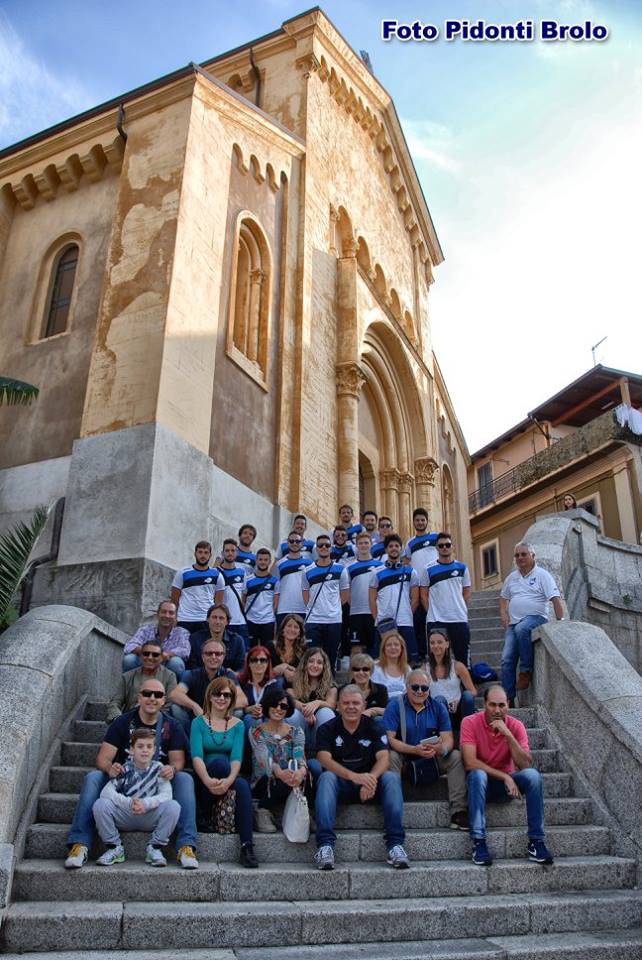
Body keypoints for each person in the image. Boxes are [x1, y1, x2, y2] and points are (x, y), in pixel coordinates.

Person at [64, 680, 198, 870]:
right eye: (147, 693)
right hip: (124, 780)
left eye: (158, 695)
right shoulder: (122, 722)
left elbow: (178, 761)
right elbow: (103, 759)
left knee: (184, 778)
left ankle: (186, 846)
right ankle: (80, 844)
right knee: (93, 778)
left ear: (164, 701)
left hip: (156, 782)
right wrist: (110, 768)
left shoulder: (172, 726)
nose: (152, 698)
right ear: (139, 697)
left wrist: (173, 769)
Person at [314, 684, 409, 870]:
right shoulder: (326, 729)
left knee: (391, 778)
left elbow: (384, 757)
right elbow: (324, 759)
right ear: (338, 706)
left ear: (364, 705)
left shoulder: (375, 726)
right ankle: (325, 846)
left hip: (369, 787)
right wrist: (355, 777)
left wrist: (371, 779)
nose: (351, 707)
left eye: (355, 703)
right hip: (341, 785)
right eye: (346, 703)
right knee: (326, 778)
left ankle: (395, 845)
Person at [460, 685, 554, 866]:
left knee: (533, 776)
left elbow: (525, 764)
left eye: (501, 705)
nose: (497, 710)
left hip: (504, 788)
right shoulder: (470, 722)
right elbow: (469, 762)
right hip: (480, 786)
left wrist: (508, 735)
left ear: (508, 705)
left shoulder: (515, 726)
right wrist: (506, 776)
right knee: (478, 774)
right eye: (492, 705)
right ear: (484, 704)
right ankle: (478, 843)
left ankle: (536, 842)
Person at [383, 669, 468, 830]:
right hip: (405, 756)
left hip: (431, 757)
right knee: (390, 756)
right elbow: (389, 739)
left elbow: (449, 739)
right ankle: (393, 813)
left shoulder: (437, 707)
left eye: (424, 688)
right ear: (407, 687)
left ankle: (458, 812)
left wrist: (440, 749)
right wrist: (414, 750)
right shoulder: (395, 705)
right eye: (415, 687)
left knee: (456, 756)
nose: (420, 691)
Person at [190, 677, 258, 868]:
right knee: (219, 763)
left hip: (228, 777)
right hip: (204, 780)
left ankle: (247, 847)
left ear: (232, 699)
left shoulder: (238, 724)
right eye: (217, 693)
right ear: (209, 696)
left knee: (242, 784)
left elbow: (236, 758)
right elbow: (196, 756)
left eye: (227, 695)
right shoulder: (198, 723)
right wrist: (207, 780)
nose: (221, 698)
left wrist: (228, 781)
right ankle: (204, 814)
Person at [92, 727, 181, 867]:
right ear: (132, 750)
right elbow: (106, 792)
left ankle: (155, 848)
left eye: (149, 746)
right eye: (140, 746)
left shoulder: (159, 769)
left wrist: (145, 804)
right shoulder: (124, 769)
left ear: (154, 750)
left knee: (174, 806)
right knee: (100, 804)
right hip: (126, 814)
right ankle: (115, 848)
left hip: (149, 815)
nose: (145, 750)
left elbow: (167, 794)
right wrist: (128, 803)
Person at [499, 541, 564, 700]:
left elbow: (555, 599)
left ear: (532, 556)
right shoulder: (512, 578)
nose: (520, 558)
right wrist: (503, 614)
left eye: (524, 554)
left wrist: (561, 621)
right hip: (514, 623)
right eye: (517, 555)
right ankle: (507, 700)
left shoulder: (542, 575)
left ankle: (525, 671)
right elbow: (503, 597)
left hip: (536, 618)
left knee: (523, 628)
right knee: (506, 659)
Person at [249, 687, 310, 833]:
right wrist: (280, 772)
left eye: (283, 706)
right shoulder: (256, 731)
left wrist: (301, 771)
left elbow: (299, 755)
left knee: (311, 769)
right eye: (274, 704)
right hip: (264, 779)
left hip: (290, 776)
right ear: (267, 705)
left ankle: (303, 811)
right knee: (281, 772)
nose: (278, 709)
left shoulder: (296, 732)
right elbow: (263, 758)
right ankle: (263, 809)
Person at [170, 636, 247, 732]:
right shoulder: (192, 674)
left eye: (218, 654)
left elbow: (243, 700)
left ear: (223, 657)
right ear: (203, 657)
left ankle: (223, 744)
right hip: (196, 718)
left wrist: (217, 709)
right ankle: (187, 744)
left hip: (220, 717)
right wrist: (194, 706)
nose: (213, 657)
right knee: (176, 708)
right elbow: (175, 694)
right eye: (209, 653)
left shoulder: (229, 675)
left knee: (238, 712)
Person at [421, 534, 472, 667]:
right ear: (436, 548)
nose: (444, 548)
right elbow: (424, 595)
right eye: (441, 545)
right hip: (436, 620)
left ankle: (464, 686)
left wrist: (460, 606)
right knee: (438, 659)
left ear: (452, 547)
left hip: (458, 619)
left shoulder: (462, 568)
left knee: (463, 659)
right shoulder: (428, 569)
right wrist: (431, 612)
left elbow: (466, 590)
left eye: (447, 545)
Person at [302, 534, 349, 670]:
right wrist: (313, 608)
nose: (324, 547)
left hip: (333, 620)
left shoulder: (341, 569)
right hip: (313, 620)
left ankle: (330, 688)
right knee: (312, 659)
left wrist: (332, 609)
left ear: (331, 548)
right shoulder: (307, 571)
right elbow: (305, 593)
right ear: (316, 549)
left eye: (327, 545)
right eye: (320, 545)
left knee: (330, 659)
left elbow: (344, 595)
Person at [369, 536, 419, 660]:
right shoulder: (376, 573)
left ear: (401, 549)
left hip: (406, 623)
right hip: (384, 624)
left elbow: (415, 598)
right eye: (391, 546)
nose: (394, 549)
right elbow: (371, 599)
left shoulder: (411, 572)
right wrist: (378, 619)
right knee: (383, 660)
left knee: (408, 660)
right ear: (386, 550)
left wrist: (407, 613)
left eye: (397, 546)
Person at [107, 638, 177, 722]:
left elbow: (170, 703)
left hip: (158, 720)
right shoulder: (127, 676)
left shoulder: (170, 676)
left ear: (161, 658)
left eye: (155, 655)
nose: (150, 658)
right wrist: (118, 719)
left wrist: (152, 716)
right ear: (140, 656)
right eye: (146, 654)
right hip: (131, 720)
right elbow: (115, 702)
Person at [425, 629, 476, 739]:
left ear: (447, 644)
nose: (436, 645)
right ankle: (443, 737)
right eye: (432, 643)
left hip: (457, 711)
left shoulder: (458, 666)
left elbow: (473, 691)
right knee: (439, 699)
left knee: (467, 696)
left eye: (439, 642)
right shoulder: (425, 669)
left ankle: (468, 736)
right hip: (438, 712)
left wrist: (457, 701)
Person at [404, 508, 440, 660]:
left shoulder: (436, 538)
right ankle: (421, 653)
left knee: (435, 620)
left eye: (422, 520)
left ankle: (437, 652)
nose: (420, 522)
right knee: (418, 621)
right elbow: (406, 563)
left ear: (427, 521)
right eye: (417, 520)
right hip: (417, 588)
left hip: (435, 585)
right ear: (413, 522)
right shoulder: (410, 543)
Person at [122, 600, 190, 677]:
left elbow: (185, 651)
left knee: (176, 663)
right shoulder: (145, 629)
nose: (167, 616)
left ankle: (171, 688)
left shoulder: (181, 632)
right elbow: (129, 646)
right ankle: (130, 687)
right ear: (157, 615)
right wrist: (150, 652)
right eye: (164, 612)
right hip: (146, 662)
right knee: (129, 660)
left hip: (166, 664)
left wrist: (167, 654)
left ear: (175, 617)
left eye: (171, 613)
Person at [171, 541, 225, 635]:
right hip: (184, 620)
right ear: (195, 553)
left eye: (206, 552)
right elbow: (174, 599)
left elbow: (218, 603)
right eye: (200, 552)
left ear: (210, 555)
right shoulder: (183, 573)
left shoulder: (217, 575)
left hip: (206, 621)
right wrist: (174, 618)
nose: (203, 555)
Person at [290, 647, 337, 746]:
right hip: (301, 728)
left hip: (318, 731)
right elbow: (289, 699)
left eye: (319, 662)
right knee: (293, 713)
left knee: (326, 712)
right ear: (305, 663)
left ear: (324, 666)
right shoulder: (294, 683)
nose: (315, 665)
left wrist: (318, 702)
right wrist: (306, 710)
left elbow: (332, 705)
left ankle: (322, 750)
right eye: (311, 661)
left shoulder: (331, 687)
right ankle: (297, 751)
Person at [346, 532, 383, 656]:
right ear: (356, 545)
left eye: (366, 543)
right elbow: (347, 590)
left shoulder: (380, 566)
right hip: (356, 614)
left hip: (374, 613)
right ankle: (354, 675)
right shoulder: (349, 567)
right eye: (360, 543)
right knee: (356, 649)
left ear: (371, 544)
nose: (363, 545)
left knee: (376, 649)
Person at [187, 603, 245, 672]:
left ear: (227, 622)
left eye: (221, 618)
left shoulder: (237, 641)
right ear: (208, 619)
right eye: (214, 617)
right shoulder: (195, 639)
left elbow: (241, 668)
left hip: (227, 679)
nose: (217, 622)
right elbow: (191, 665)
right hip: (200, 678)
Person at [238, 646, 282, 731]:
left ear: (268, 663)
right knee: (251, 719)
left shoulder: (275, 683)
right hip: (246, 721)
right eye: (254, 660)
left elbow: (278, 706)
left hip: (270, 718)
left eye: (263, 660)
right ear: (248, 663)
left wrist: (264, 712)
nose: (258, 663)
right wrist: (248, 710)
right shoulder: (241, 683)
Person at [274, 531, 313, 625]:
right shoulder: (279, 564)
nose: (294, 543)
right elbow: (276, 590)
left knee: (302, 639)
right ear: (287, 543)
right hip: (283, 609)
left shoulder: (310, 564)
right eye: (291, 541)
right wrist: (274, 608)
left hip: (303, 609)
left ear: (302, 543)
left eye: (297, 541)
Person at [217, 538, 250, 651]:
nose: (230, 553)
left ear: (236, 553)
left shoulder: (242, 572)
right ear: (223, 553)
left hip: (241, 622)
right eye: (227, 551)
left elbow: (244, 596)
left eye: (232, 550)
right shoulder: (216, 572)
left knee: (243, 655)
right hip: (224, 623)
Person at [243, 548, 278, 647]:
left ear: (270, 562)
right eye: (260, 559)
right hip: (250, 621)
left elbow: (275, 604)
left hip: (268, 622)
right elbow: (243, 601)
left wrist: (271, 616)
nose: (263, 562)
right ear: (256, 561)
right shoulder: (248, 580)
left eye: (265, 560)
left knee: (267, 652)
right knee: (250, 652)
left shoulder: (275, 581)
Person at [268, 613, 306, 687]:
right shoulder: (271, 646)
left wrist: (285, 667)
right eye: (289, 626)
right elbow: (265, 672)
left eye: (296, 627)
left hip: (295, 685)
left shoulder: (304, 649)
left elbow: (305, 674)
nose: (292, 629)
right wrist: (282, 670)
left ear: (299, 633)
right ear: (283, 629)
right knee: (280, 680)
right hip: (274, 685)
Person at [347, 653, 388, 717]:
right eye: (356, 669)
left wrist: (371, 710)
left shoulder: (381, 689)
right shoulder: (343, 690)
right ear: (352, 672)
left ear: (371, 671)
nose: (361, 672)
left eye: (365, 669)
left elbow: (386, 711)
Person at [371, 632, 411, 698]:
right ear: (383, 649)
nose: (393, 647)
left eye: (396, 644)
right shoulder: (375, 667)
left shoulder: (407, 669)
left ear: (402, 648)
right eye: (389, 645)